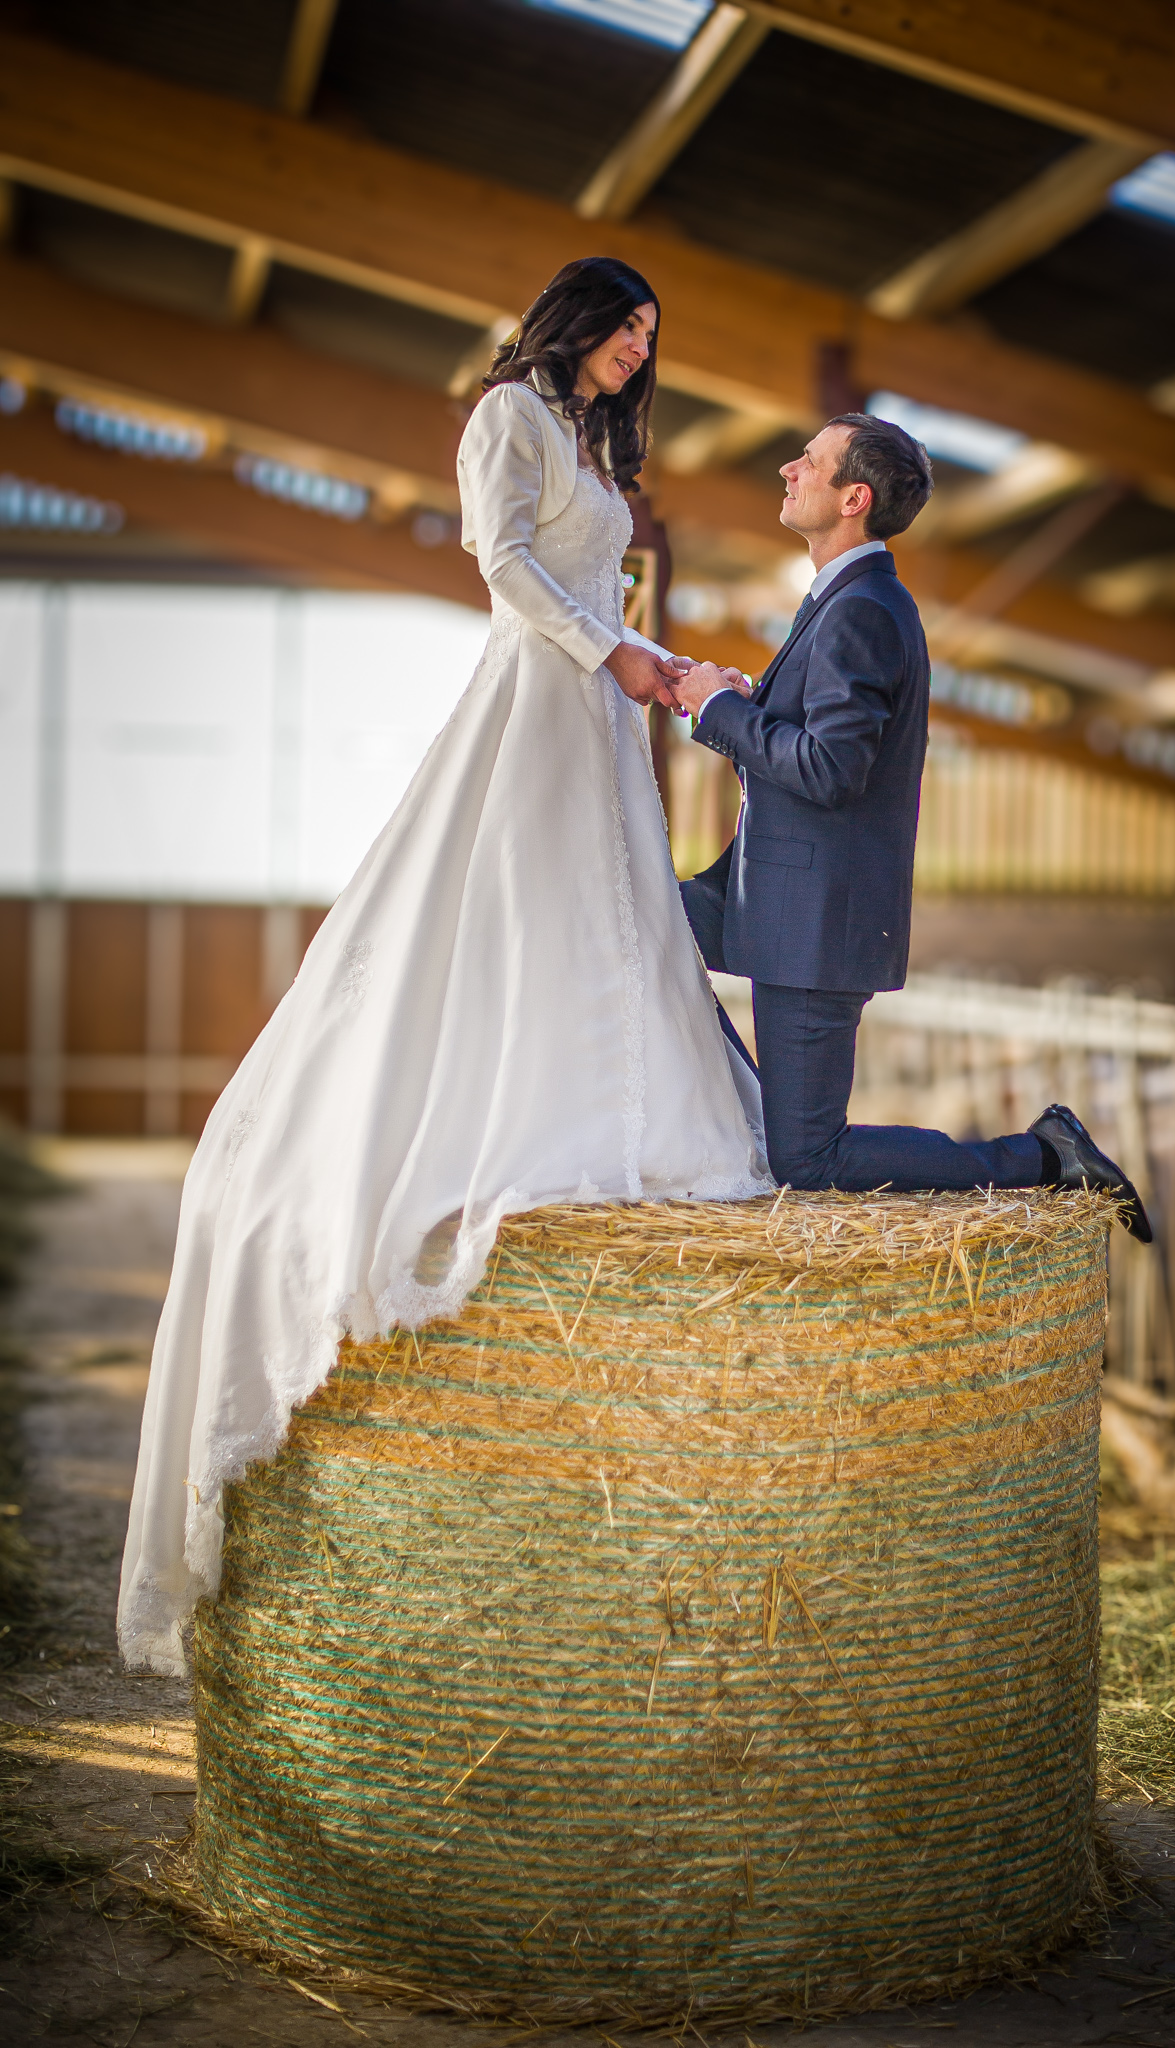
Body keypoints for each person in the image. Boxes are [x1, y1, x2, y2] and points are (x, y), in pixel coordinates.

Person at [118, 257, 769, 1677]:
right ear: (574, 321)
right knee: (513, 901)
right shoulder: (508, 418)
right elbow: (503, 565)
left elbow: (589, 578)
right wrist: (612, 654)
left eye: (653, 334)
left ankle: (619, 1117)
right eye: (624, 325)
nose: (637, 349)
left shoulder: (596, 439)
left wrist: (646, 661)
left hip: (600, 708)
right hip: (535, 700)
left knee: (610, 913)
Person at [670, 413, 1151, 1240]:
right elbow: (820, 750)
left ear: (852, 497)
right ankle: (720, 1119)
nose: (787, 469)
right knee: (633, 919)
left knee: (807, 1160)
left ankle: (1041, 1157)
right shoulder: (843, 601)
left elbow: (830, 769)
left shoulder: (864, 609)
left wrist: (716, 710)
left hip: (814, 925)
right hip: (772, 898)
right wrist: (749, 709)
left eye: (809, 462)